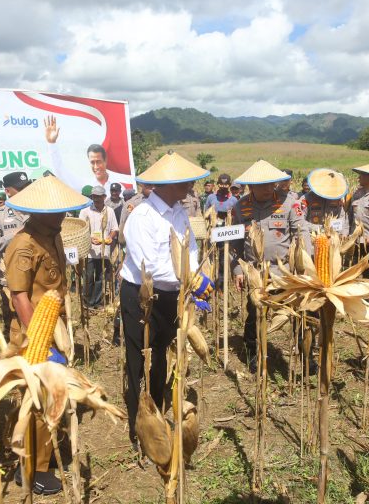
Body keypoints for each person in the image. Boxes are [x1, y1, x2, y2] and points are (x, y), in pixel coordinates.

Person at [120, 151, 211, 450]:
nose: (191, 186)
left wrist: (194, 275)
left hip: (172, 293)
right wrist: (189, 279)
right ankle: (139, 429)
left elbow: (190, 248)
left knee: (161, 357)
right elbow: (149, 266)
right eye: (185, 181)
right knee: (139, 361)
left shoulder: (179, 212)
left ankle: (156, 416)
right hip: (141, 295)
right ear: (169, 184)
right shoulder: (141, 217)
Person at [4, 174, 89, 495]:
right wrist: (41, 342)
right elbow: (19, 297)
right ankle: (31, 469)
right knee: (36, 401)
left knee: (51, 398)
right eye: (56, 211)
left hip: (54, 328)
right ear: (39, 212)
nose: (62, 215)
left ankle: (43, 456)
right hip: (33, 334)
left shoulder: (54, 235)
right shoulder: (23, 245)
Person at [230, 160, 308, 373]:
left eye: (271, 184)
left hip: (285, 271)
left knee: (297, 313)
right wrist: (237, 269)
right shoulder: (241, 206)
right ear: (251, 186)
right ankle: (253, 352)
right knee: (255, 313)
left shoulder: (289, 203)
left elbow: (301, 234)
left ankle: (306, 354)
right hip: (255, 272)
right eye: (262, 185)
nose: (268, 189)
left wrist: (304, 264)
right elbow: (235, 242)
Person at [0, 171, 31, 339]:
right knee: (16, 326)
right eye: (20, 188)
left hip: (36, 279)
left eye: (27, 187)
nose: (25, 191)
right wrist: (13, 236)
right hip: (11, 283)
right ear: (8, 191)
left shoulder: (37, 212)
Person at [44, 115, 131, 194]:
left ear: (105, 161)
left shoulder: (119, 187)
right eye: (92, 162)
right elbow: (60, 172)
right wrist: (51, 143)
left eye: (98, 162)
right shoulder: (85, 185)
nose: (96, 167)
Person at [79, 186, 118, 310]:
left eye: (98, 196)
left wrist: (110, 237)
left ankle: (97, 302)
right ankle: (87, 302)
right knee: (88, 276)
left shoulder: (110, 211)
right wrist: (89, 238)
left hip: (104, 251)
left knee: (101, 277)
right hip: (89, 250)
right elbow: (81, 229)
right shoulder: (85, 211)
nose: (96, 199)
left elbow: (114, 229)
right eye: (94, 196)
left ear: (104, 197)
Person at [301, 169, 349, 236]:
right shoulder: (306, 198)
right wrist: (320, 228)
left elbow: (343, 220)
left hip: (333, 236)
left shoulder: (336, 199)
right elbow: (300, 221)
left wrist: (342, 235)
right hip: (312, 236)